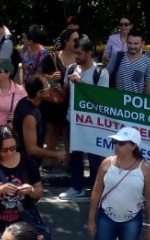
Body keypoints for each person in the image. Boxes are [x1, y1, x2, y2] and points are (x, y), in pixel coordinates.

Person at [59, 35, 109, 199]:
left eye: (79, 53)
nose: (76, 57)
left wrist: (81, 86)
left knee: (95, 158)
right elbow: (65, 93)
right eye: (75, 53)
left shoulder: (100, 72)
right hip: (72, 119)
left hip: (93, 123)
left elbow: (101, 99)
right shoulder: (71, 69)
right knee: (75, 156)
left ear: (89, 52)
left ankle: (95, 189)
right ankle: (77, 186)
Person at [0, 127, 43, 240]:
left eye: (13, 148)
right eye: (4, 150)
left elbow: (39, 192)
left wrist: (30, 190)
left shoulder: (28, 162)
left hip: (22, 226)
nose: (10, 153)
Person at [38, 28, 77, 171]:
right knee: (52, 131)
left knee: (70, 133)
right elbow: (38, 75)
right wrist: (51, 78)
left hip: (73, 100)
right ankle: (47, 162)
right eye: (74, 40)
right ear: (66, 42)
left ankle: (70, 162)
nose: (77, 42)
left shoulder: (80, 57)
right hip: (55, 101)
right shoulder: (52, 57)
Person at [13, 74, 67, 169]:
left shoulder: (26, 101)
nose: (49, 87)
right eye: (47, 85)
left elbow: (59, 100)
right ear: (39, 93)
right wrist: (56, 154)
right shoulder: (29, 116)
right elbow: (31, 149)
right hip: (25, 166)